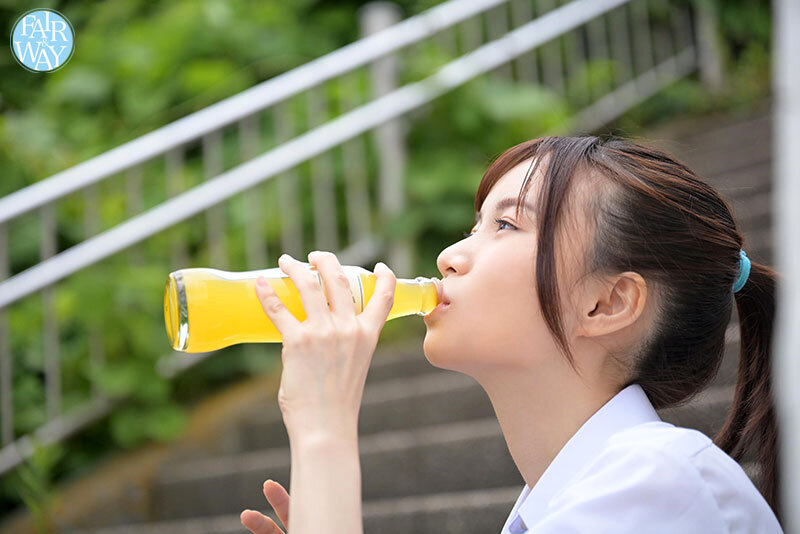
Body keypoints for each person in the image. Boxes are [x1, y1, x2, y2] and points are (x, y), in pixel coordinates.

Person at [239, 136, 784, 533]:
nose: (448, 256)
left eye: (505, 224)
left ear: (606, 303)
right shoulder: (578, 496)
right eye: (475, 225)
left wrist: (324, 429)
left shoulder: (657, 483)